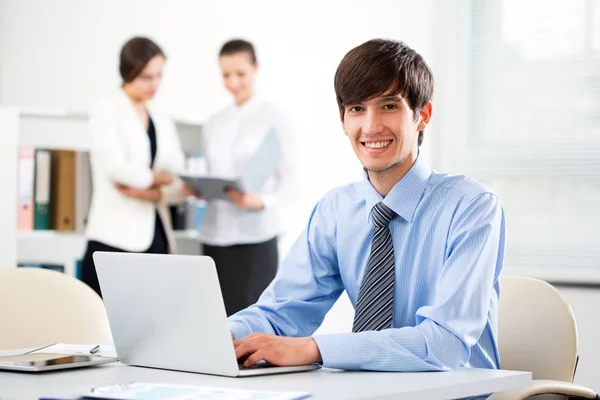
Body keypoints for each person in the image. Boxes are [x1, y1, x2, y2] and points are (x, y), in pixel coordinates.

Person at [229, 38, 506, 373]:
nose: (371, 126)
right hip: (365, 390)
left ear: (423, 116)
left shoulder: (471, 207)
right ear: (343, 121)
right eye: (357, 109)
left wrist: (315, 349)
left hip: (459, 393)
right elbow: (280, 313)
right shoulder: (335, 210)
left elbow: (445, 344)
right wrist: (217, 338)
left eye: (389, 106)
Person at [81, 37, 189, 297]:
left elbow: (178, 175)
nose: (155, 84)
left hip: (156, 237)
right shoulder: (107, 109)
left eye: (159, 76)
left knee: (153, 326)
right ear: (127, 72)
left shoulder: (160, 117)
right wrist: (156, 178)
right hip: (114, 239)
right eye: (145, 77)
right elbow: (116, 169)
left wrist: (151, 191)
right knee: (105, 329)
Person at [197, 39, 296, 316]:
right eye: (226, 75)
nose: (233, 82)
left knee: (251, 322)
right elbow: (209, 172)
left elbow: (290, 181)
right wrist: (198, 187)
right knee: (216, 321)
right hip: (215, 235)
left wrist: (262, 201)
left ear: (256, 68)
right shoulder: (214, 122)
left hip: (255, 236)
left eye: (240, 74)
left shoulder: (274, 117)